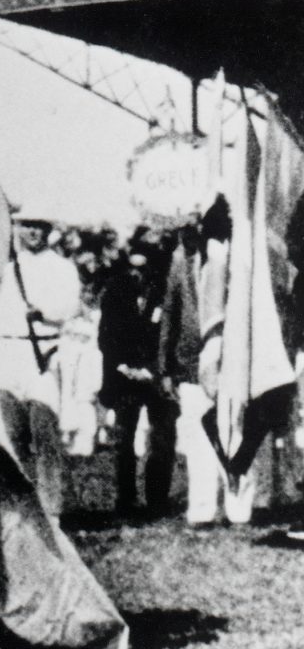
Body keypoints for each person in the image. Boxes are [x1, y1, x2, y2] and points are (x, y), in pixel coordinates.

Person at [0, 220, 82, 516]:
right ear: (18, 230)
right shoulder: (5, 270)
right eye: (28, 226)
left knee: (44, 430)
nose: (34, 233)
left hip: (43, 354)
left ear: (49, 231)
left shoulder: (62, 267)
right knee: (12, 435)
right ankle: (21, 509)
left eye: (40, 227)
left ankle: (51, 509)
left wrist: (44, 313)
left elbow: (71, 307)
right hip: (7, 354)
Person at [160, 207, 254, 527]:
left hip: (232, 360)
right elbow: (170, 315)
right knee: (197, 435)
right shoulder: (180, 264)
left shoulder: (238, 264)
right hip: (189, 363)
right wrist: (165, 367)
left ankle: (238, 506)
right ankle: (201, 508)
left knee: (236, 432)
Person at [99, 227, 176, 516]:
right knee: (124, 440)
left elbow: (170, 332)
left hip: (156, 375)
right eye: (137, 253)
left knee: (163, 438)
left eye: (150, 254)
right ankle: (126, 499)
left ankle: (157, 499)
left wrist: (154, 370)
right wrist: (123, 366)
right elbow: (105, 335)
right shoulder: (116, 288)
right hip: (123, 376)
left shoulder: (165, 287)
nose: (140, 266)